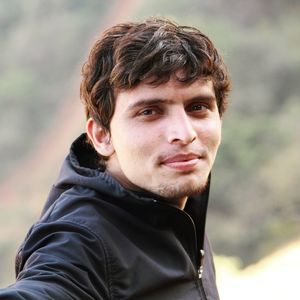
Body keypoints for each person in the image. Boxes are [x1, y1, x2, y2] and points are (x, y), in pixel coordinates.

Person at [0, 17, 230, 299]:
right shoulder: (80, 241)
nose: (184, 133)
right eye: (150, 112)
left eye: (198, 107)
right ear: (101, 136)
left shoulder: (180, 204)